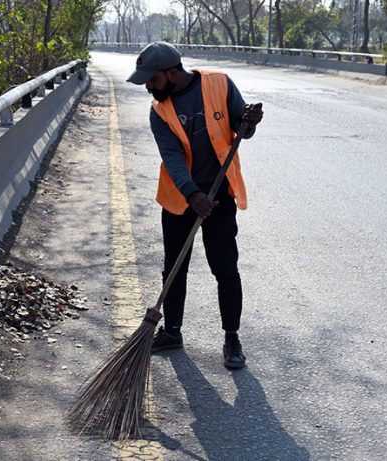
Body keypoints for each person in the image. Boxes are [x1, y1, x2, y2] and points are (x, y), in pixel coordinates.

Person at [127, 41, 263, 369]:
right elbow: (171, 157)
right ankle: (172, 331)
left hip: (219, 195)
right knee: (174, 266)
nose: (148, 87)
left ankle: (232, 337)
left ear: (172, 73)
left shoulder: (219, 83)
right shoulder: (159, 110)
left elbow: (239, 130)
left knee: (225, 267)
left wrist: (250, 123)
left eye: (152, 80)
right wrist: (192, 194)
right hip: (180, 197)